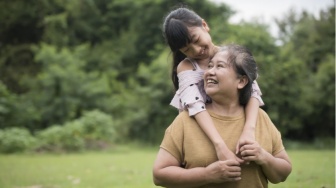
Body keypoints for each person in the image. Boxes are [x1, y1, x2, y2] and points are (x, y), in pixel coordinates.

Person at [153, 44, 292, 188]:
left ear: (242, 81)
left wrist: (264, 157)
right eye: (210, 66)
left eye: (219, 66)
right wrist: (207, 174)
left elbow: (283, 173)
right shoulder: (185, 120)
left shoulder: (260, 118)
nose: (209, 72)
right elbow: (159, 175)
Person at [162, 6, 264, 162]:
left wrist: (248, 130)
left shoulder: (232, 57)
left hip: (233, 121)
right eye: (187, 49)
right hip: (200, 131)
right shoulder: (187, 67)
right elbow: (195, 105)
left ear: (204, 25)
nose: (196, 50)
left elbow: (253, 92)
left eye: (196, 40)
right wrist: (219, 145)